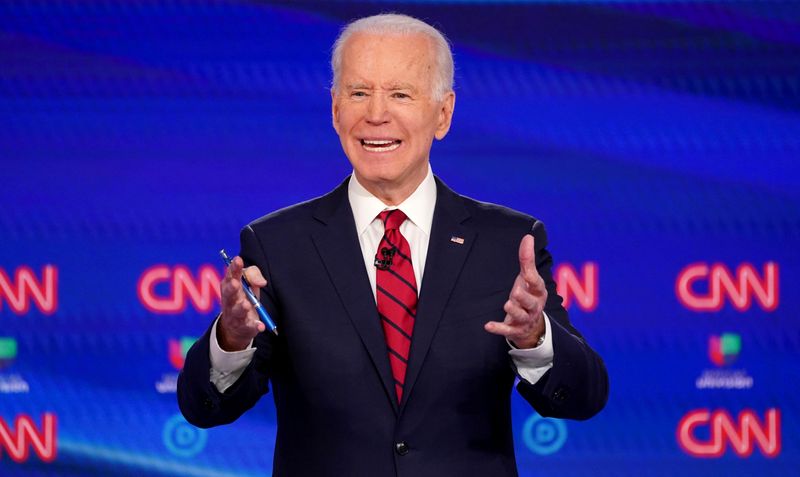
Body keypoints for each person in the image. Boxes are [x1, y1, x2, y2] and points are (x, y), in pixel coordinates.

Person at [178, 13, 608, 476]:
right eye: (359, 93)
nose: (376, 114)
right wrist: (232, 339)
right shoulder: (277, 243)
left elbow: (582, 397)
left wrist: (534, 339)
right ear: (335, 109)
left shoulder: (506, 243)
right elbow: (206, 408)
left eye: (400, 94)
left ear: (443, 114)